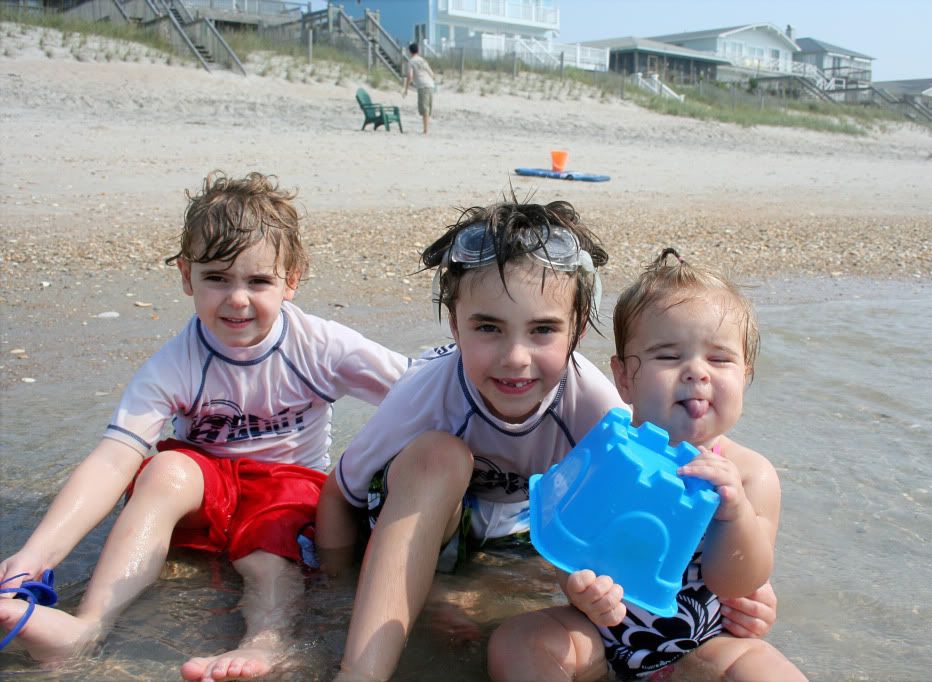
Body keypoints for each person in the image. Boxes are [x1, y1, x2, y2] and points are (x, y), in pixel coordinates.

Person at [316, 202, 780, 681]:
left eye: (542, 330)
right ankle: (362, 672)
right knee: (440, 459)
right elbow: (338, 492)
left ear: (577, 330)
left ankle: (453, 596)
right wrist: (330, 591)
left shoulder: (597, 408)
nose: (516, 358)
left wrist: (751, 588)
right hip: (431, 514)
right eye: (488, 327)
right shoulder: (426, 389)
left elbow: (594, 537)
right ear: (455, 326)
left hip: (518, 535)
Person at [0, 171, 411, 681]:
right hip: (205, 486)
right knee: (165, 467)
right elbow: (112, 459)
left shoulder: (321, 346)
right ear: (186, 276)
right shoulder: (176, 363)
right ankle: (87, 625)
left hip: (286, 485)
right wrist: (35, 553)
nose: (237, 300)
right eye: (217, 277)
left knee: (268, 551)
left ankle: (267, 642)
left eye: (258, 281)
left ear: (292, 278)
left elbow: (420, 391)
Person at [487, 250, 806, 681]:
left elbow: (738, 583)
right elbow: (567, 544)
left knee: (765, 669)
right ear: (624, 379)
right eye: (669, 356)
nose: (697, 372)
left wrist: (735, 513)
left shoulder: (750, 475)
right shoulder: (607, 453)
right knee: (517, 642)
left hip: (704, 644)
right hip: (600, 632)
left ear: (745, 375)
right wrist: (578, 588)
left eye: (719, 359)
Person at [403, 42, 435, 134]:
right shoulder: (423, 60)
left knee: (424, 108)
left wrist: (406, 88)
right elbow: (432, 74)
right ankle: (426, 129)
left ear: (410, 51)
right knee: (427, 108)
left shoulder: (411, 61)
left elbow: (410, 76)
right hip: (430, 84)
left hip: (423, 85)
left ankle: (426, 131)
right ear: (418, 50)